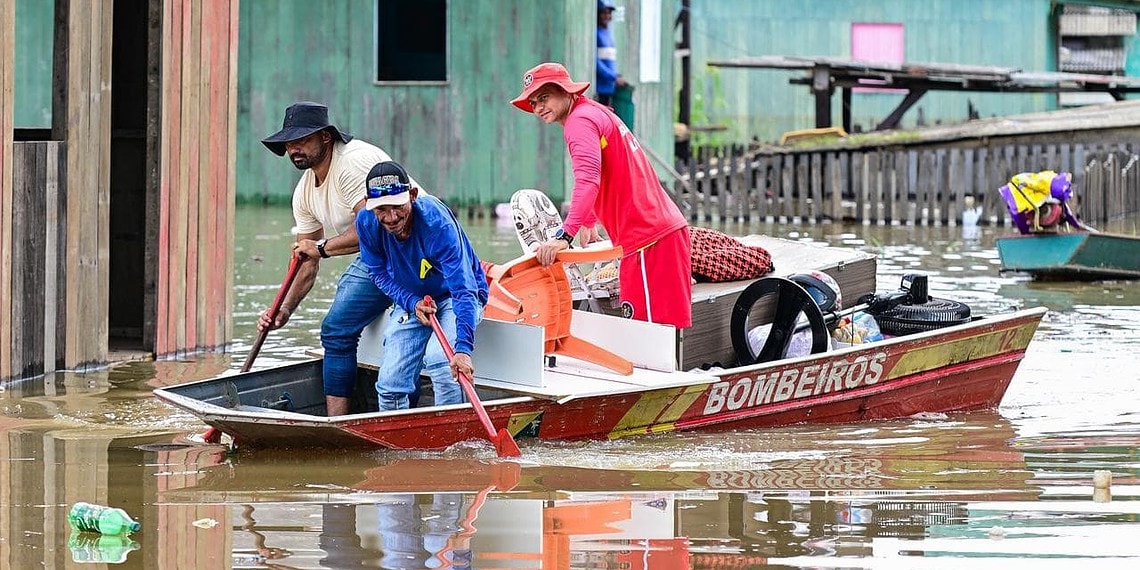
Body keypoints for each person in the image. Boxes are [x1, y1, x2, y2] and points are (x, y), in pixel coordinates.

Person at [256, 101, 449, 416]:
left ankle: (380, 414)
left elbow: (373, 226)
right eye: (289, 144)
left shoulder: (351, 163)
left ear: (326, 138)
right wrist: (284, 309)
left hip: (418, 246)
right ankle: (338, 421)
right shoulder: (303, 193)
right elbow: (305, 260)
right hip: (381, 252)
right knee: (336, 330)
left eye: (302, 140)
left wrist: (319, 247)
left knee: (360, 327)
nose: (294, 149)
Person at [510, 63, 692, 329]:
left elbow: (588, 179)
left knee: (650, 338)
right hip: (660, 234)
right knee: (665, 336)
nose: (538, 107)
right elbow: (606, 170)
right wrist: (589, 221)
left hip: (647, 241)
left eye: (544, 97)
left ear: (565, 91)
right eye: (534, 102)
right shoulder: (594, 111)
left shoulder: (578, 122)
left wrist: (564, 236)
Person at [355, 160, 488, 411]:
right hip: (413, 299)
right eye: (382, 209)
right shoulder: (366, 223)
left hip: (454, 295)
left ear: (413, 196)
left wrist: (462, 350)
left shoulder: (437, 222)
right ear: (369, 205)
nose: (391, 217)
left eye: (397, 207)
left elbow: (463, 289)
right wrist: (411, 302)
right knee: (389, 382)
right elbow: (378, 273)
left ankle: (453, 443)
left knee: (441, 362)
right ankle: (398, 445)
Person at [595, 0, 626, 107]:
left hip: (609, 87)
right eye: (603, 13)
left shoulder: (608, 34)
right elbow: (596, 62)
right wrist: (613, 77)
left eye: (609, 13)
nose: (607, 16)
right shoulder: (596, 33)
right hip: (600, 88)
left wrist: (615, 77)